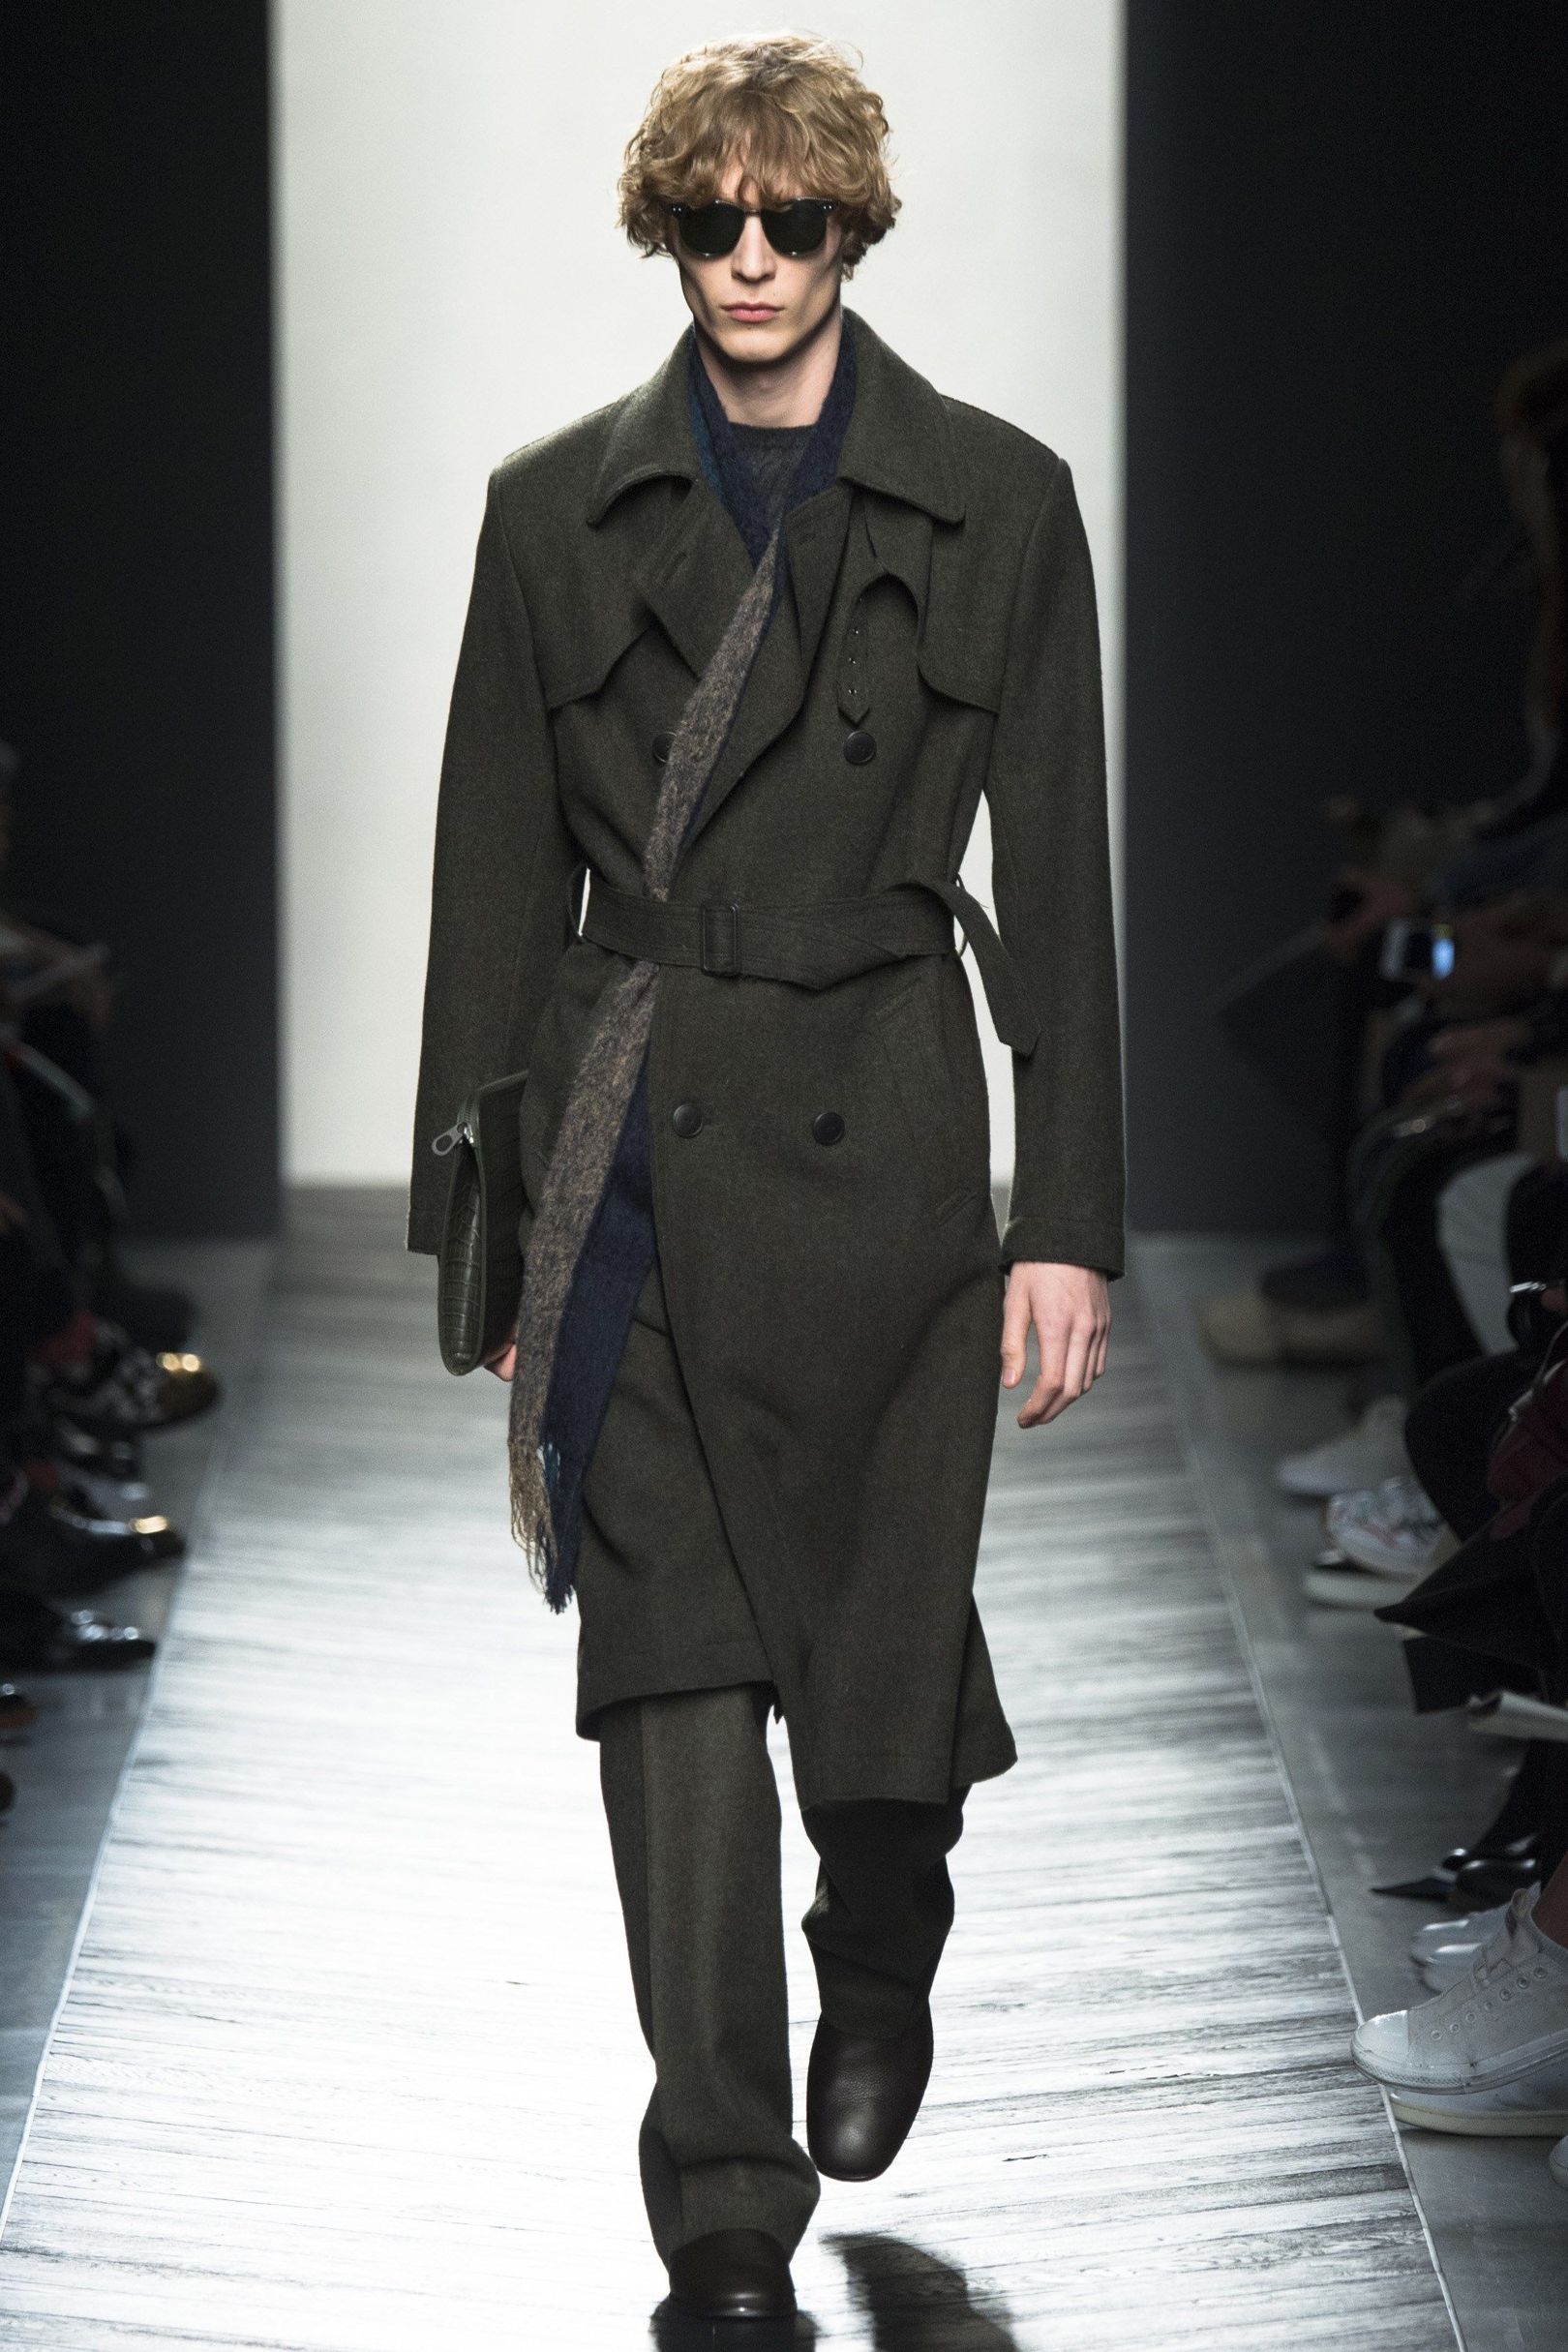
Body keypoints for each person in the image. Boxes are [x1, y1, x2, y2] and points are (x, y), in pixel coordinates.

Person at [407, 34, 1124, 2329]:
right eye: (709, 219)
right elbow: (492, 887)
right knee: (676, 1671)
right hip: (633, 1140)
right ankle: (721, 2194)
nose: (747, 258)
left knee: (878, 1624)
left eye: (789, 220)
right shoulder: (553, 510)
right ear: (665, 230)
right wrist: (488, 1241)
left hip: (889, 1133)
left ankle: (883, 1916)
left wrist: (1069, 1219)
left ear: (849, 231)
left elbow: (1065, 889)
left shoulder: (996, 502)